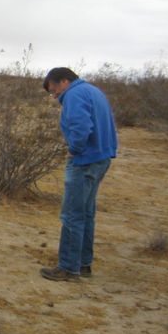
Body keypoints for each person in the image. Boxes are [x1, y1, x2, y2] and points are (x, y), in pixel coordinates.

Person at [40, 67, 118, 282]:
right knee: (86, 214)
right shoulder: (93, 91)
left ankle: (68, 268)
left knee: (72, 216)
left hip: (84, 162)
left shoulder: (74, 95)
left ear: (64, 81)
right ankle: (83, 264)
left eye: (53, 89)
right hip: (101, 158)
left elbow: (81, 126)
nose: (54, 95)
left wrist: (75, 149)